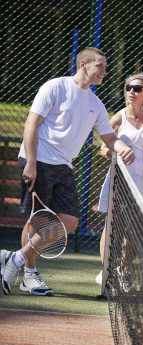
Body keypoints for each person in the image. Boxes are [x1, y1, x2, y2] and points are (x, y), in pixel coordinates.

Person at [0, 47, 135, 296]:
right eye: (100, 66)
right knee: (38, 222)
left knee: (69, 222)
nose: (105, 71)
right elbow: (31, 124)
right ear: (84, 64)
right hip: (38, 160)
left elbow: (109, 137)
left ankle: (15, 259)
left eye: (105, 66)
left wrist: (123, 147)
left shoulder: (96, 104)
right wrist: (30, 162)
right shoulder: (55, 87)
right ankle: (29, 275)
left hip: (64, 166)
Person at [95, 72, 143, 286]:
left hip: (142, 182)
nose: (132, 92)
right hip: (120, 179)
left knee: (134, 230)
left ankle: (125, 272)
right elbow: (103, 148)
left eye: (137, 88)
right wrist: (117, 152)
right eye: (129, 87)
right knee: (111, 226)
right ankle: (107, 272)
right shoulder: (118, 117)